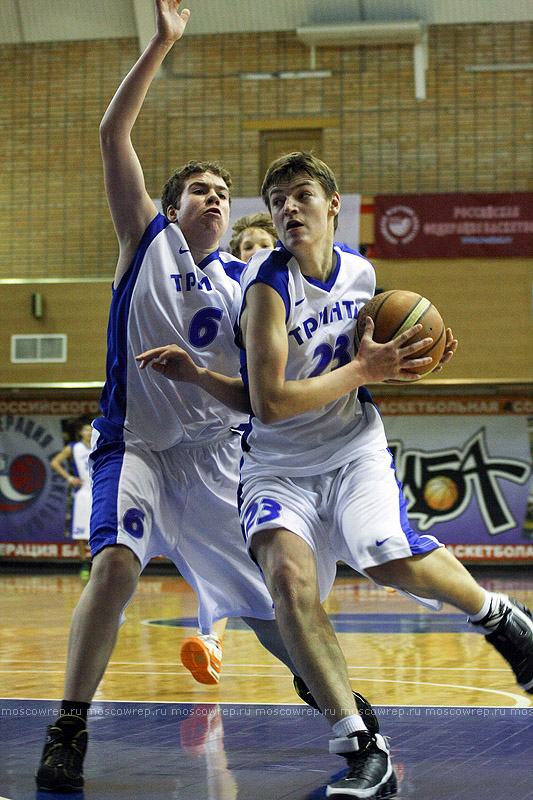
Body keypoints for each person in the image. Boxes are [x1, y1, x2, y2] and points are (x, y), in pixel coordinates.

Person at [143, 151, 533, 799]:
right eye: (275, 201)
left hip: (352, 449)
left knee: (383, 555)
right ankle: (360, 746)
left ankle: (501, 619)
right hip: (276, 466)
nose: (288, 208)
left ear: (332, 208)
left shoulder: (361, 271)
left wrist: (416, 355)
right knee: (289, 586)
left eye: (300, 196)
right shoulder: (264, 289)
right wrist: (365, 372)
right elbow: (266, 401)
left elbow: (369, 356)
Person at [35, 4, 309, 792]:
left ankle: (332, 700)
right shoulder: (144, 240)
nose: (214, 198)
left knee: (267, 598)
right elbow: (109, 135)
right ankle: (69, 725)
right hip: (141, 449)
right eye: (199, 189)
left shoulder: (248, 285)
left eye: (224, 192)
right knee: (116, 567)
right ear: (172, 203)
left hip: (214, 460)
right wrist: (160, 44)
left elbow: (266, 385)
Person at [180, 211, 277, 683]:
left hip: (265, 432)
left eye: (264, 243)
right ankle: (211, 638)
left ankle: (300, 644)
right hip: (217, 430)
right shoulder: (222, 280)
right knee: (223, 549)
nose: (254, 250)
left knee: (260, 551)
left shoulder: (282, 288)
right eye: (248, 245)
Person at [51, 421, 93, 580]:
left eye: (91, 430)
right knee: (80, 531)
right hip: (82, 491)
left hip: (98, 489)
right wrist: (69, 478)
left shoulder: (99, 444)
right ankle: (84, 564)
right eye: (86, 430)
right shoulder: (74, 447)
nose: (89, 433)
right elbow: (55, 462)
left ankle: (97, 563)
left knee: (97, 530)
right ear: (80, 432)